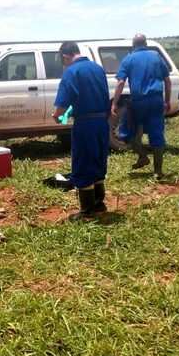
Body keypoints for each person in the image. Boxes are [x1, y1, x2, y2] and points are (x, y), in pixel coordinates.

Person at [52, 41, 111, 219]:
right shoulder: (97, 68)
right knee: (98, 160)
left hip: (85, 124)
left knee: (84, 162)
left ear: (65, 56)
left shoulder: (72, 72)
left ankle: (87, 210)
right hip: (102, 122)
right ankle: (99, 203)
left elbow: (63, 102)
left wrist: (57, 115)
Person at [111, 33, 171, 176]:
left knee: (127, 131)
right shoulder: (156, 57)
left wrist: (114, 103)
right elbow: (167, 81)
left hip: (138, 102)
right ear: (146, 44)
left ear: (133, 45)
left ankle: (143, 156)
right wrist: (167, 101)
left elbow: (120, 82)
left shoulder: (129, 59)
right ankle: (158, 171)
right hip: (156, 100)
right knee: (157, 134)